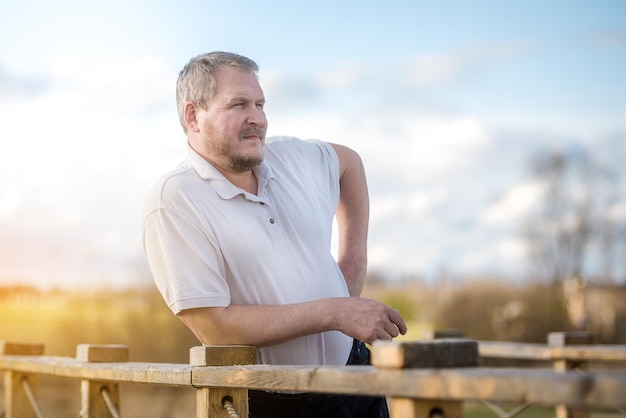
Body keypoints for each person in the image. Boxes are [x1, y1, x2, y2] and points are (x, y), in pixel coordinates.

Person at [142, 51, 407, 418]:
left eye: (260, 103)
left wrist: (353, 259)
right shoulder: (174, 200)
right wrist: (336, 310)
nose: (258, 118)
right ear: (193, 116)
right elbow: (214, 327)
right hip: (274, 403)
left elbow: (350, 164)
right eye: (238, 104)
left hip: (354, 377)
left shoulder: (291, 157)